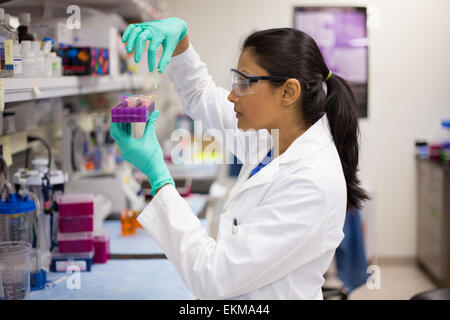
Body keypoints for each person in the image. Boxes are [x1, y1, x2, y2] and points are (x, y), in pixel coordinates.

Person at [110, 17, 369, 299]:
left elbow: (214, 278)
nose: (233, 95)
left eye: (245, 83)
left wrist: (159, 176)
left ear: (288, 92)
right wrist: (180, 42)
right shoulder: (274, 138)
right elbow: (200, 94)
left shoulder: (311, 181)